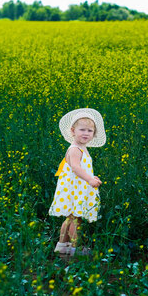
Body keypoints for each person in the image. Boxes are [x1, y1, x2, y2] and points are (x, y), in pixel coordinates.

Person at [49, 108, 106, 256]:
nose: (86, 133)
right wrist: (89, 179)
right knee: (76, 218)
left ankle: (62, 245)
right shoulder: (75, 149)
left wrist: (93, 177)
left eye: (90, 131)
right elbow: (75, 167)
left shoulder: (82, 148)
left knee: (71, 217)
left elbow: (83, 168)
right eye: (82, 130)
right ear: (73, 130)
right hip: (74, 189)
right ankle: (74, 248)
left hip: (78, 187)